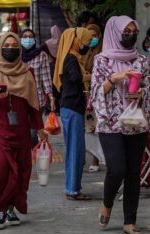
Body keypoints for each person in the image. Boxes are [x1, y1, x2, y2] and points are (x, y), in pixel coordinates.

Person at [91, 16, 150, 234]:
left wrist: (141, 93)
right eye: (125, 32)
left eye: (133, 32)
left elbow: (148, 87)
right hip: (110, 122)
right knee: (117, 168)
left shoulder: (142, 60)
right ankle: (107, 203)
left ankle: (130, 222)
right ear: (115, 32)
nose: (130, 36)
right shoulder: (102, 60)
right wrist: (114, 79)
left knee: (133, 173)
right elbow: (95, 93)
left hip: (136, 122)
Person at [0, 32, 48, 230]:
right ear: (1, 47)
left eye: (14, 45)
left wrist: (40, 128)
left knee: (20, 173)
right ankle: (0, 208)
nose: (11, 48)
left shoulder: (28, 71)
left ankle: (9, 209)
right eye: (6, 44)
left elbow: (33, 103)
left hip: (21, 132)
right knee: (2, 169)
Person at [53, 27, 92, 200]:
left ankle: (73, 188)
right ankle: (72, 190)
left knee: (76, 150)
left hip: (71, 109)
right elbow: (75, 79)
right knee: (75, 151)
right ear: (76, 40)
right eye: (85, 41)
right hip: (72, 109)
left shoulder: (74, 58)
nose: (87, 45)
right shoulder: (71, 59)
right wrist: (91, 78)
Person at [20, 28, 55, 147]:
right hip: (19, 98)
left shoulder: (41, 55)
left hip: (37, 99)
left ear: (34, 39)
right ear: (20, 39)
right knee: (21, 129)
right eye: (25, 37)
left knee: (33, 131)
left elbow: (46, 78)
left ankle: (29, 157)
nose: (28, 39)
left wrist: (51, 97)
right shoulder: (16, 54)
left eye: (30, 36)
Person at [83, 23, 105, 173]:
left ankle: (97, 159)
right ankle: (93, 155)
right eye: (89, 36)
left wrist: (88, 77)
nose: (92, 39)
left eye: (94, 36)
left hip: (98, 94)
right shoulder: (85, 51)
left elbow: (103, 74)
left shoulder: (102, 52)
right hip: (86, 94)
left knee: (98, 127)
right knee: (89, 128)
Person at [44, 25, 62, 114]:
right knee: (59, 86)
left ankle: (52, 106)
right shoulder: (64, 42)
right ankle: (59, 106)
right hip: (61, 66)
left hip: (52, 66)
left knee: (52, 86)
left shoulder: (48, 43)